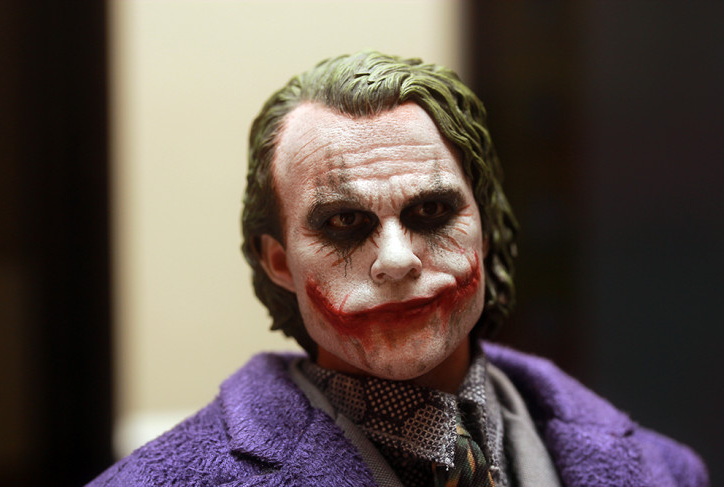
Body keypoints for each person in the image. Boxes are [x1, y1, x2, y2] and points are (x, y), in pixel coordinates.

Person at [88, 51, 708, 486]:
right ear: (278, 261)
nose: (396, 260)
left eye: (432, 211)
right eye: (343, 222)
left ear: (486, 226)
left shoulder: (667, 474)